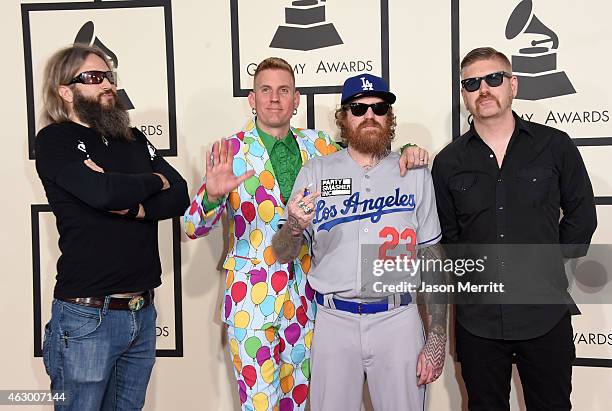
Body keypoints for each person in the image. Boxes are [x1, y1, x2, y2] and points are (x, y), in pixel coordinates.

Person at [183, 58, 429, 411]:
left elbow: (368, 151)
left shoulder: (321, 147)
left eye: (283, 90)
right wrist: (212, 195)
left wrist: (407, 152)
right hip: (250, 302)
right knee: (261, 405)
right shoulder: (230, 152)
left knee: (298, 404)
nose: (274, 99)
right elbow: (192, 227)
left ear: (296, 99)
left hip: (308, 302)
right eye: (265, 90)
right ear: (252, 100)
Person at [431, 47, 597, 410]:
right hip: (478, 320)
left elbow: (582, 215)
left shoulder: (555, 146)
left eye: (494, 79)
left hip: (544, 312)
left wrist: (552, 267)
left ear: (513, 85)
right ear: (464, 94)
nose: (484, 89)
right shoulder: (448, 162)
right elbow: (449, 237)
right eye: (472, 83)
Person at [271, 73, 448, 411]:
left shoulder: (414, 172)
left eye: (379, 108)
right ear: (344, 117)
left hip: (398, 318)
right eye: (358, 108)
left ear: (389, 117)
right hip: (334, 321)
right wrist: (293, 225)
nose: (369, 115)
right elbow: (282, 253)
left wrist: (437, 332)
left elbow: (431, 255)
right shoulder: (316, 171)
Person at [35, 44, 189, 410]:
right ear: (65, 91)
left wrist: (133, 203)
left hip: (141, 312)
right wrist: (154, 180)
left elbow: (179, 193)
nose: (107, 84)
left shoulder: (133, 139)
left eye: (109, 76)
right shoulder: (54, 140)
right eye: (93, 77)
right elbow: (102, 193)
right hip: (88, 316)